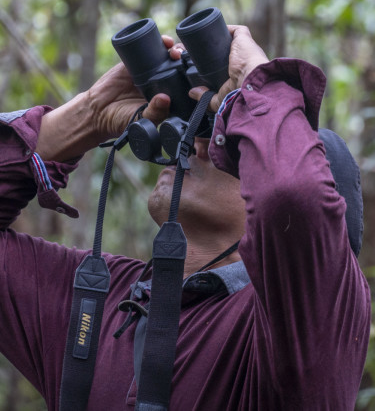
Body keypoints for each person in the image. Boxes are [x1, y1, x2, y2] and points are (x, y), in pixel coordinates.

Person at [0, 25, 370, 411]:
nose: (198, 141)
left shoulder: (305, 324)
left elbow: (294, 193)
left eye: (232, 143)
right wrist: (88, 114)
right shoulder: (101, 296)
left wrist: (253, 83)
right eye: (205, 130)